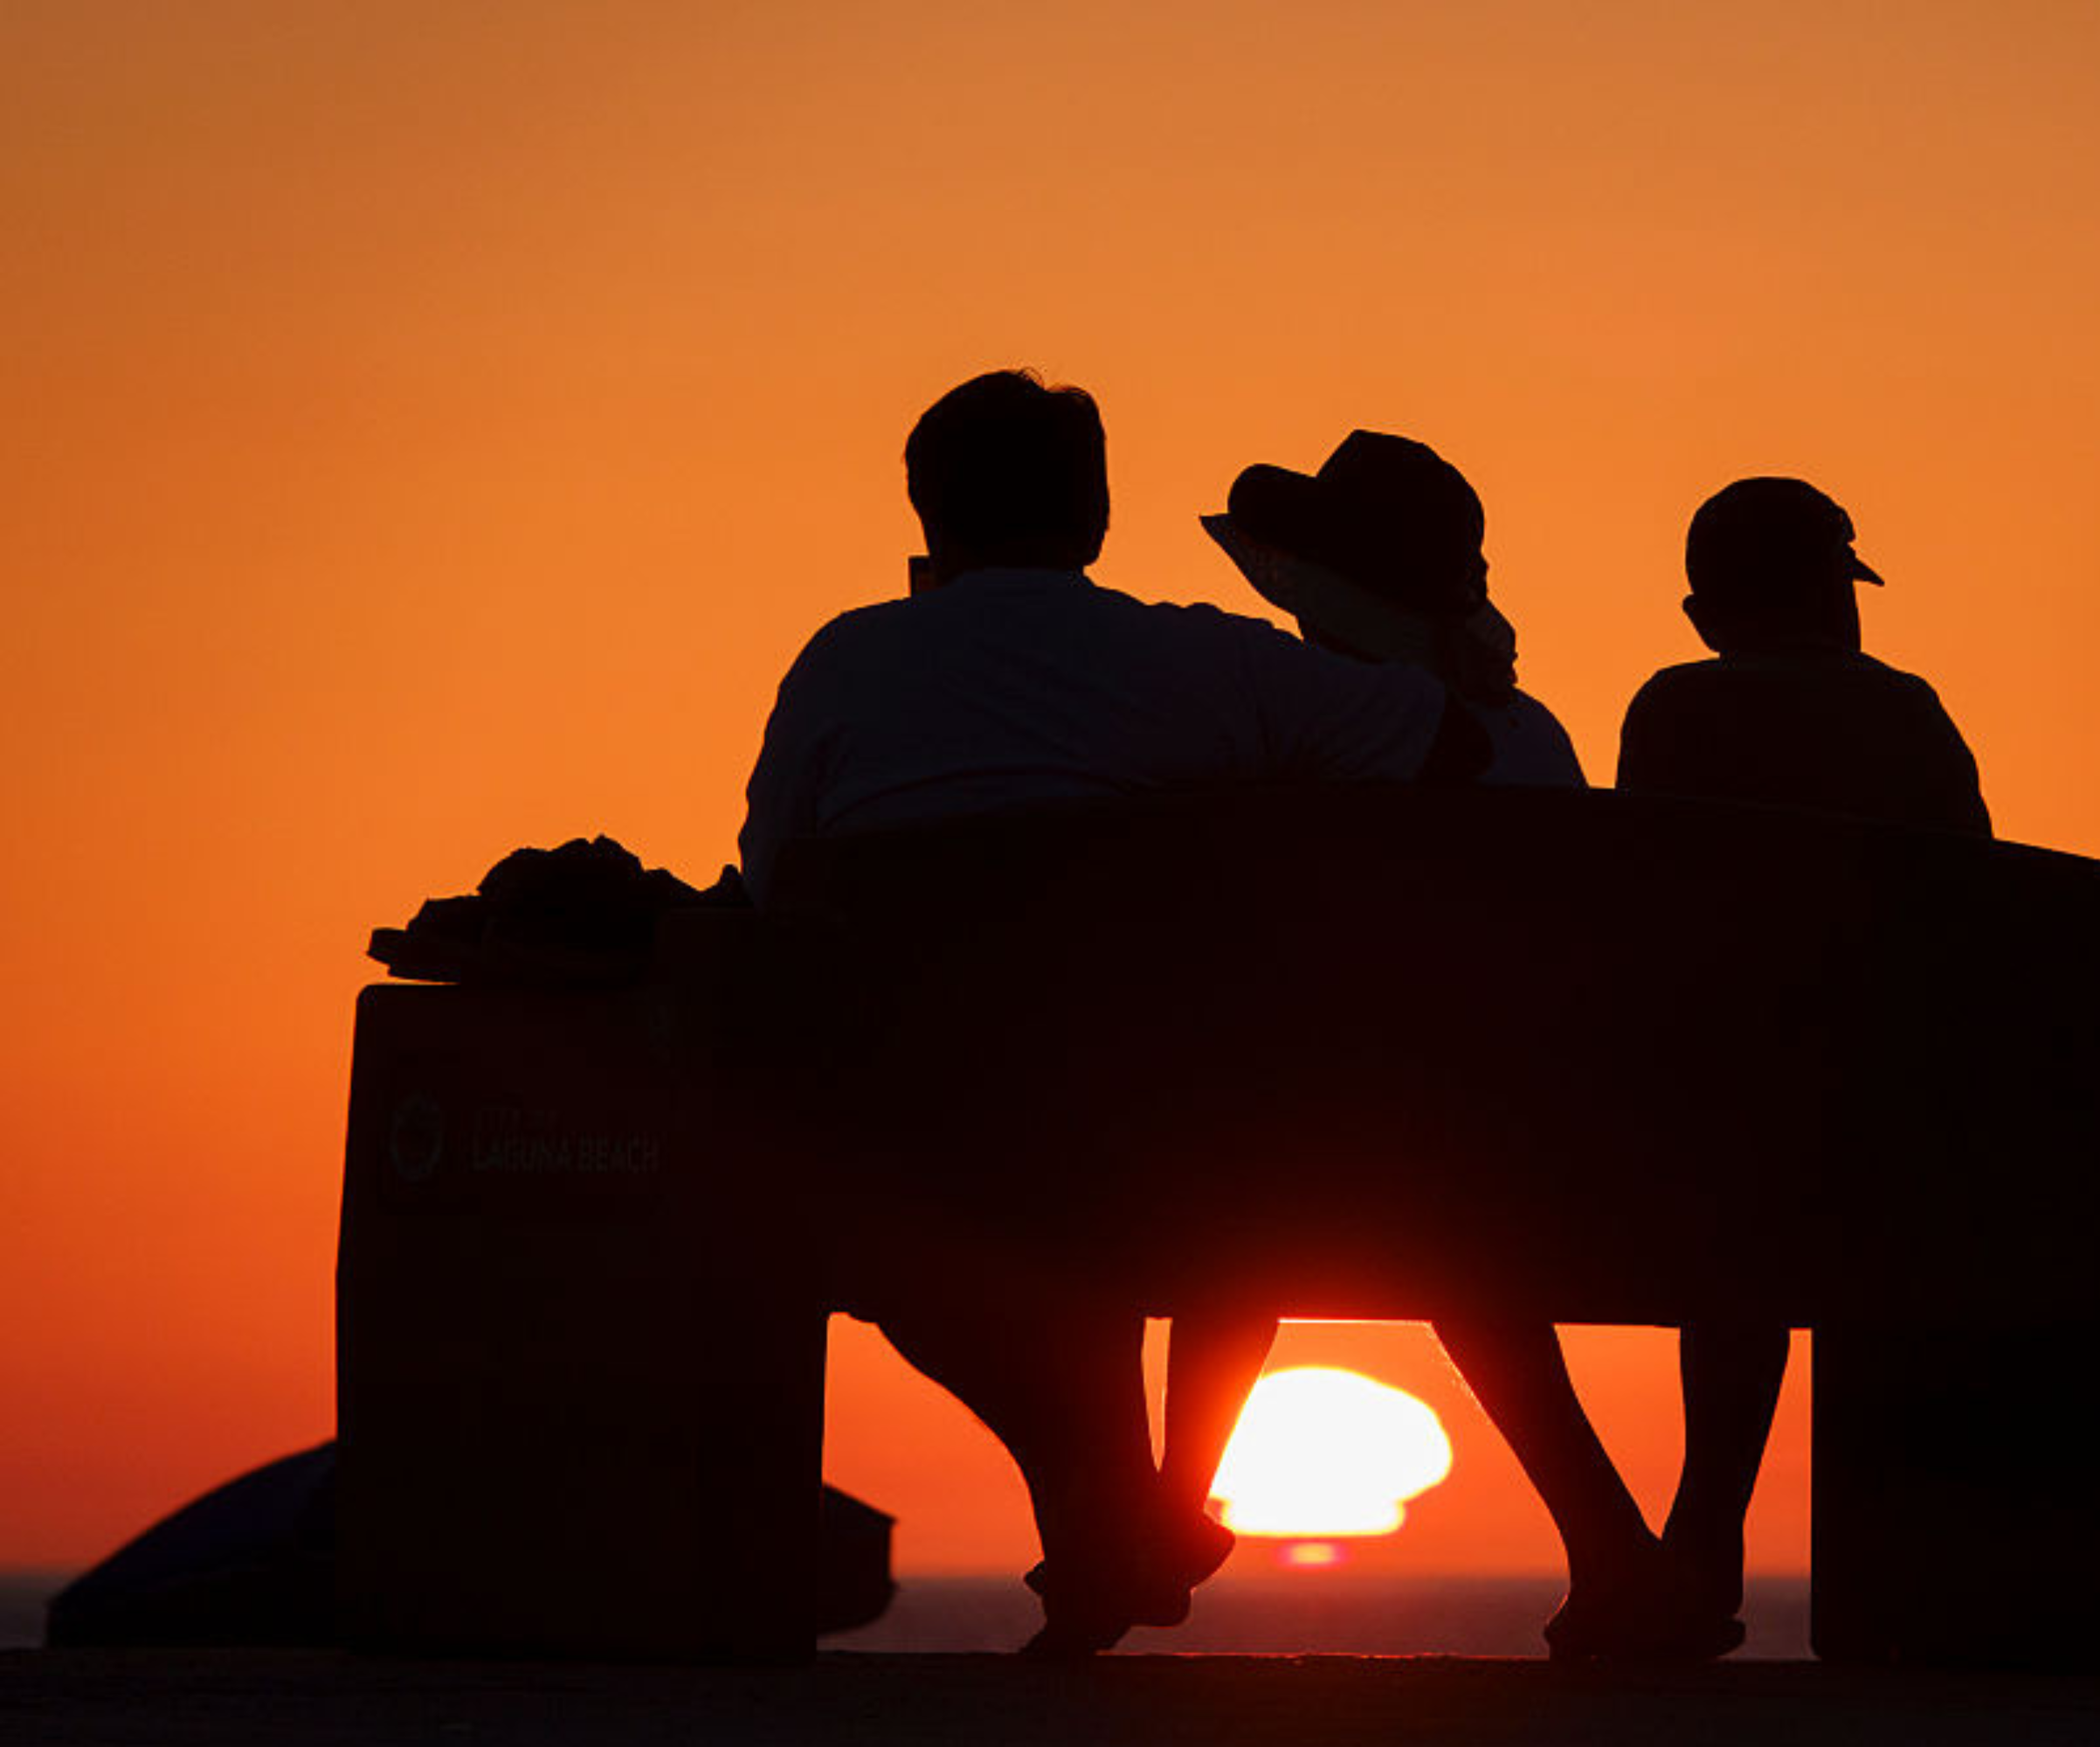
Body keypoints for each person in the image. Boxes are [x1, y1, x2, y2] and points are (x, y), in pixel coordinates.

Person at [738, 370, 1489, 1652]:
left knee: (936, 1246)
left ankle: (1105, 1510)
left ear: (927, 514)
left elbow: (773, 886)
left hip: (919, 1156)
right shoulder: (1199, 661)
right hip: (1171, 1145)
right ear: (1094, 516)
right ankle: (1128, 1509)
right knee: (1221, 1199)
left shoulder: (845, 661)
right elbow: (1452, 746)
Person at [1181, 432, 1714, 1660]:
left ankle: (1161, 1507)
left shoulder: (1291, 730)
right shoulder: (1524, 730)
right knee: (1411, 1197)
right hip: (1529, 1139)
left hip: (1332, 1145)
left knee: (1245, 1190)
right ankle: (1615, 1547)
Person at [1618, 474, 1991, 1638]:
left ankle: (1705, 1520)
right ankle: (1898, 1556)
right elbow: (1976, 899)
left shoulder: (1670, 709)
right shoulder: (1906, 711)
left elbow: (1641, 905)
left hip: (1708, 1121)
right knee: (1822, 1171)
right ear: (1838, 596)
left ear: (1704, 615)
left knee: (1742, 1197)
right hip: (1885, 1111)